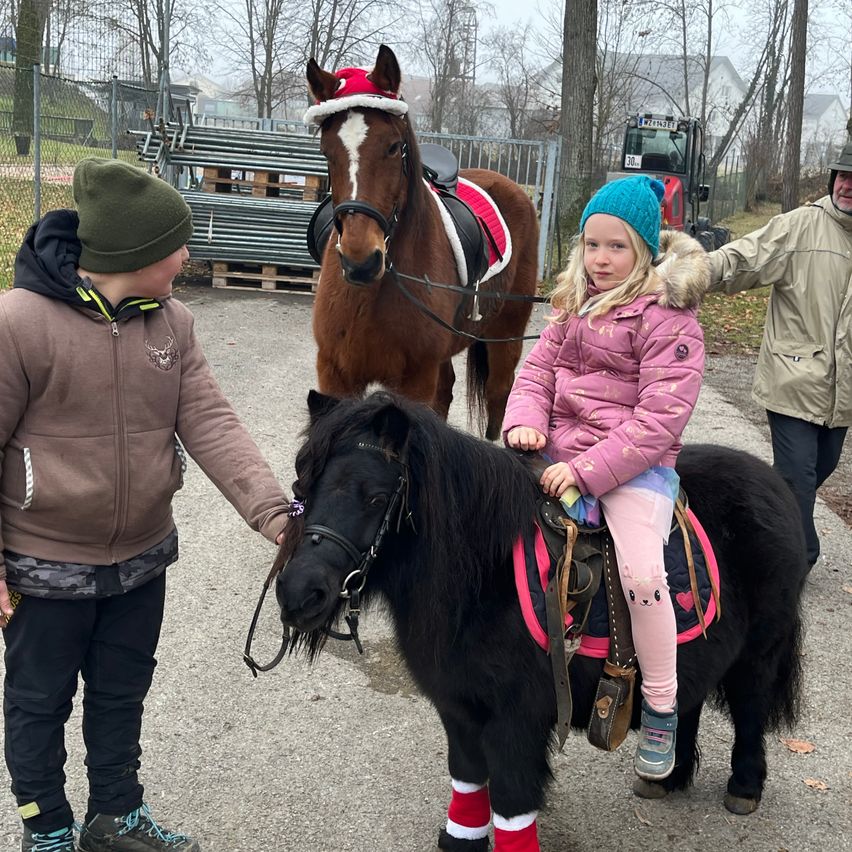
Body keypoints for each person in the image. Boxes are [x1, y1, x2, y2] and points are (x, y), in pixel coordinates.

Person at [0, 159, 291, 852]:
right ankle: (47, 830)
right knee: (39, 703)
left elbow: (215, 425)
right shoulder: (18, 324)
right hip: (45, 563)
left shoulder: (173, 323)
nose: (187, 256)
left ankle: (115, 818)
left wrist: (278, 516)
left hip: (140, 559)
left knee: (120, 694)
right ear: (135, 254)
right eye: (177, 245)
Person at [502, 175, 709, 789]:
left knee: (644, 574)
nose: (600, 259)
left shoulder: (670, 319)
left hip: (635, 468)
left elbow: (659, 418)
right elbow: (535, 372)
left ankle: (661, 707)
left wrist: (588, 470)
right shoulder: (572, 305)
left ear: (644, 250)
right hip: (558, 454)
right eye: (592, 244)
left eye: (616, 247)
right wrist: (523, 424)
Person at [708, 142, 852, 569]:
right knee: (799, 480)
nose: (848, 186)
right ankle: (795, 561)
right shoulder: (801, 227)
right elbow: (741, 259)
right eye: (843, 176)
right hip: (793, 379)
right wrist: (690, 273)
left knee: (812, 471)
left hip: (842, 393)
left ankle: (749, 520)